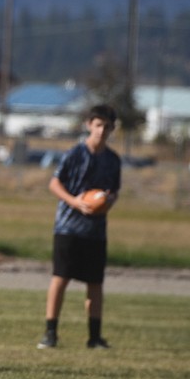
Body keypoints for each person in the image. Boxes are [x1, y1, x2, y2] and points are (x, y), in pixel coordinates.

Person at [37, 103, 121, 350]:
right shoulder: (74, 154)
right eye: (98, 126)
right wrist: (76, 202)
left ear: (112, 129)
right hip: (68, 227)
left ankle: (94, 337)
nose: (101, 131)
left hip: (95, 231)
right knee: (61, 278)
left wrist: (106, 202)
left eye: (107, 127)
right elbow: (54, 184)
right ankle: (50, 332)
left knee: (95, 283)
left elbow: (114, 192)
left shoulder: (113, 160)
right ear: (89, 126)